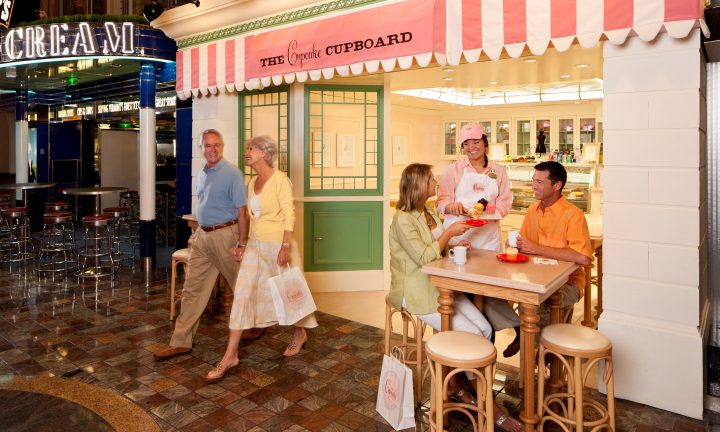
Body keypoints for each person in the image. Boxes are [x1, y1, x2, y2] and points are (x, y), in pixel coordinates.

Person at [389, 163, 522, 432]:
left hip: (441, 286)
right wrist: (449, 233)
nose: (436, 185)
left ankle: (461, 389)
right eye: (430, 181)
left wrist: (454, 244)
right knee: (473, 335)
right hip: (416, 291)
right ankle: (488, 407)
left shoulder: (426, 212)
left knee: (484, 329)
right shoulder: (403, 219)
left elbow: (435, 248)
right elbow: (425, 257)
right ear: (417, 186)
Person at [206, 135, 318, 382]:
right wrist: (242, 244)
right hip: (256, 246)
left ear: (265, 154)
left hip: (278, 245)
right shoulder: (251, 182)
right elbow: (248, 216)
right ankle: (230, 355)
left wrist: (285, 245)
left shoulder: (280, 180)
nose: (247, 152)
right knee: (242, 295)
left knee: (289, 295)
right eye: (247, 148)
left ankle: (300, 333)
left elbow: (289, 212)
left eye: (251, 149)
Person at [155, 129, 250, 360]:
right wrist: (197, 233)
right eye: (208, 146)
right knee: (192, 290)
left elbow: (242, 212)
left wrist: (242, 244)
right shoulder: (203, 172)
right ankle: (180, 342)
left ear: (222, 146)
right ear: (201, 148)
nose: (213, 149)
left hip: (226, 237)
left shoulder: (232, 174)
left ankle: (261, 323)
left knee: (244, 287)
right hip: (202, 237)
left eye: (216, 144)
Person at [437, 123, 522, 358]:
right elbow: (441, 202)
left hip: (488, 238)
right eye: (466, 144)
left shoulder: (498, 170)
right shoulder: (453, 170)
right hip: (459, 237)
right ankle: (478, 346)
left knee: (492, 291)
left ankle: (490, 343)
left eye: (476, 142)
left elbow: (505, 203)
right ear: (462, 147)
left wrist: (489, 212)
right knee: (467, 292)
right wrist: (450, 206)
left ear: (485, 143)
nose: (472, 148)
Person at [517, 161, 593, 321]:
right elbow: (525, 247)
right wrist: (517, 246)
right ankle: (530, 341)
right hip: (535, 277)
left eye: (539, 182)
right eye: (533, 180)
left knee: (533, 304)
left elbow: (582, 257)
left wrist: (536, 248)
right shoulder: (532, 210)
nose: (533, 186)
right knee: (503, 297)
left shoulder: (573, 215)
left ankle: (540, 344)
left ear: (557, 185)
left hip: (567, 283)